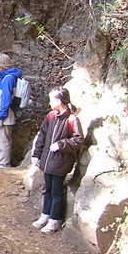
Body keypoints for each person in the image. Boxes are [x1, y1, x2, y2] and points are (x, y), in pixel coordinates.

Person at [31, 87, 84, 233]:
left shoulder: (72, 119)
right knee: (47, 189)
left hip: (61, 161)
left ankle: (55, 219)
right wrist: (37, 154)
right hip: (48, 160)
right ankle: (45, 215)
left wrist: (61, 145)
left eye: (51, 99)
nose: (49, 102)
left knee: (56, 190)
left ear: (59, 100)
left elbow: (78, 140)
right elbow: (42, 135)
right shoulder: (50, 116)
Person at [0, 53, 23, 168]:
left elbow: (6, 98)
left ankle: (3, 165)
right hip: (6, 113)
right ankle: (4, 164)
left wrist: (0, 115)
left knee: (2, 142)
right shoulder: (8, 77)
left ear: (4, 66)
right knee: (4, 141)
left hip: (4, 115)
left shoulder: (8, 78)